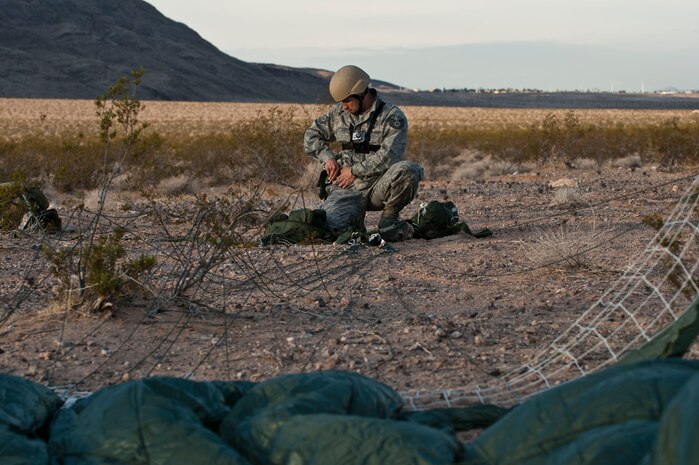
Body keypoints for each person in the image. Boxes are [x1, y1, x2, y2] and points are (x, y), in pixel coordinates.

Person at [304, 65, 423, 241]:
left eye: (347, 101)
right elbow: (311, 136)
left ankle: (389, 222)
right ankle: (355, 221)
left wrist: (354, 171)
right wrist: (327, 158)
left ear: (362, 93)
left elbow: (390, 155)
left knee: (409, 170)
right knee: (329, 231)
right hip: (346, 188)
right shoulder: (338, 114)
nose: (343, 106)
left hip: (378, 185)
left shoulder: (392, 116)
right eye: (341, 102)